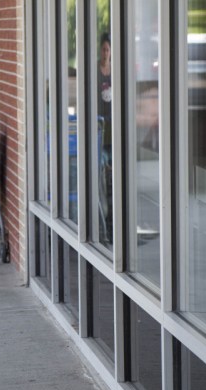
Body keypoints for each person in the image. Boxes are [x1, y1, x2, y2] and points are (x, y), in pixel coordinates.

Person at [97, 33, 112, 243]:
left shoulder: (116, 69)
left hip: (114, 126)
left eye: (108, 50)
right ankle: (105, 216)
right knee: (102, 167)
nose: (106, 53)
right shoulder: (95, 70)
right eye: (103, 49)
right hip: (100, 126)